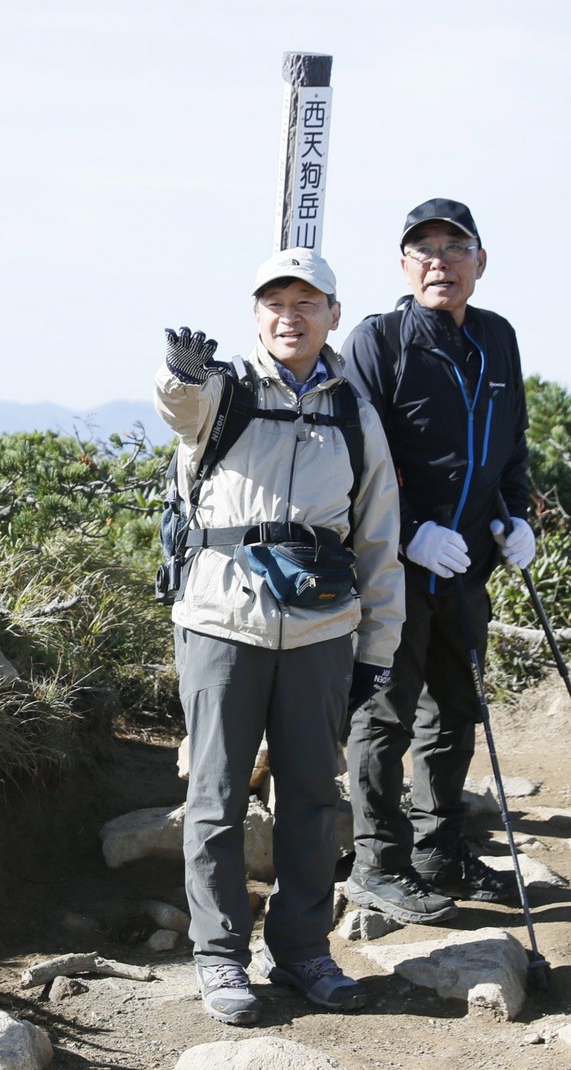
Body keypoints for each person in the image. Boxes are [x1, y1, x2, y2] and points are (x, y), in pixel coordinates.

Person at [153, 248, 405, 1025]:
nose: (289, 316)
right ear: (256, 315)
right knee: (216, 798)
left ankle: (302, 952)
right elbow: (177, 407)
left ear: (334, 313)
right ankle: (221, 957)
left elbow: (378, 542)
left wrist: (378, 652)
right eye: (274, 303)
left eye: (306, 303)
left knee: (309, 799)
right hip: (221, 625)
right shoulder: (222, 395)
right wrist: (180, 375)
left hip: (323, 633)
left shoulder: (354, 414)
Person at [340, 198, 535, 925]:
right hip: (394, 566)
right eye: (422, 250)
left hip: (468, 568)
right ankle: (377, 863)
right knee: (386, 714)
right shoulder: (380, 341)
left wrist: (515, 515)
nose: (438, 262)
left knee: (455, 708)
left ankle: (438, 849)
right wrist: (411, 529)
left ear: (479, 264)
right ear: (403, 266)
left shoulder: (496, 339)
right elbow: (357, 454)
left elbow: (509, 442)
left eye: (455, 249)